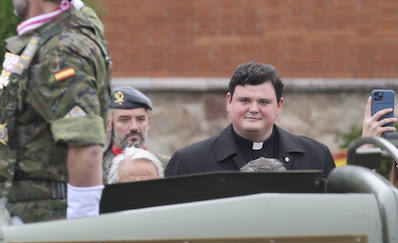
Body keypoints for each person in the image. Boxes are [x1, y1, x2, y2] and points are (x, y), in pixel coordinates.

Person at [0, 0, 112, 222]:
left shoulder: (60, 51)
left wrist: (78, 236)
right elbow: (75, 8)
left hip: (44, 222)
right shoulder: (76, 25)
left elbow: (86, 146)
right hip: (30, 216)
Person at [164, 63, 336, 176]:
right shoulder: (189, 163)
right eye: (245, 101)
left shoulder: (316, 157)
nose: (254, 109)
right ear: (229, 102)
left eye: (263, 102)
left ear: (279, 105)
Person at [102, 85, 165, 180]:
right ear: (108, 124)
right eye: (124, 120)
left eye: (141, 119)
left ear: (148, 122)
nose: (134, 127)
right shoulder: (94, 168)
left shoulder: (166, 164)